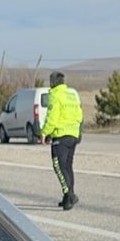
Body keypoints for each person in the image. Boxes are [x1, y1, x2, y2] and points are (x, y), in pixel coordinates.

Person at [41, 70, 84, 210]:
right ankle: (67, 198)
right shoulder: (72, 94)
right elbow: (80, 114)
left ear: (52, 82)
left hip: (61, 135)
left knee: (58, 166)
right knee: (68, 166)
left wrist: (44, 133)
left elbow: (52, 118)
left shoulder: (55, 95)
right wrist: (78, 132)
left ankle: (69, 194)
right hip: (73, 134)